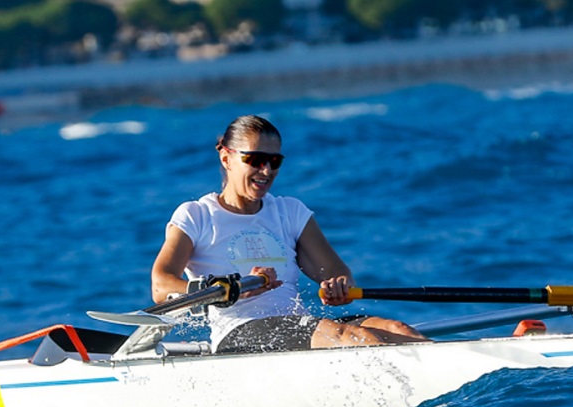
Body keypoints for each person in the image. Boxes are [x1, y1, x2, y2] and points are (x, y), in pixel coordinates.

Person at [151, 115, 427, 353]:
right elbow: (161, 286)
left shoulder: (290, 212)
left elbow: (336, 272)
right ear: (226, 157)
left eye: (274, 160)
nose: (266, 170)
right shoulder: (196, 215)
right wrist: (223, 290)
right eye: (255, 159)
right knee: (356, 339)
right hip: (238, 332)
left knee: (398, 329)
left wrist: (338, 286)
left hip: (295, 326)